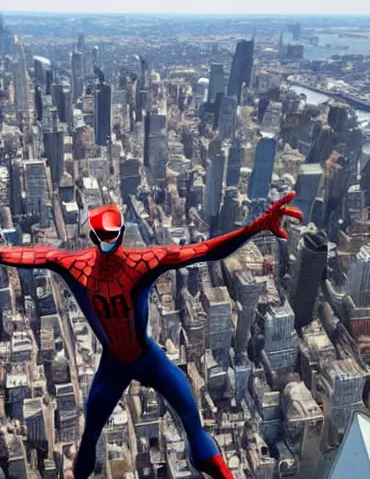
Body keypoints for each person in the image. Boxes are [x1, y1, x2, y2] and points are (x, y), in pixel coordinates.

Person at [0, 192, 302, 479]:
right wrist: (255, 227)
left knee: (191, 425)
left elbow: (205, 251)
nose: (107, 242)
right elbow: (34, 255)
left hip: (141, 360)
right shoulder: (97, 266)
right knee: (92, 436)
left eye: (110, 236)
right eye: (102, 236)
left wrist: (256, 227)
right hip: (122, 365)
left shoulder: (116, 265)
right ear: (98, 237)